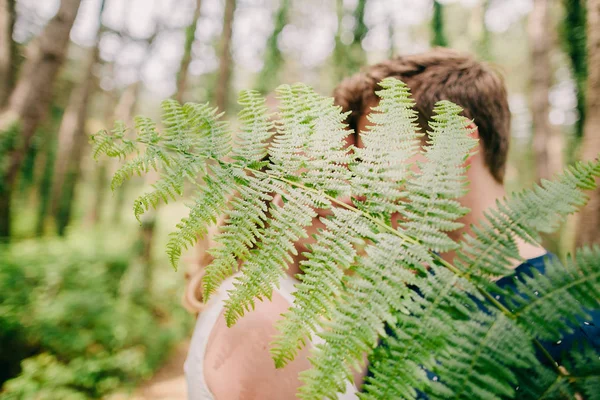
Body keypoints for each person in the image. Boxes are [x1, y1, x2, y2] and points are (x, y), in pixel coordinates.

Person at [183, 48, 597, 399]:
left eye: (380, 155)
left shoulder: (578, 322)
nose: (360, 187)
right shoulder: (398, 293)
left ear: (456, 143)